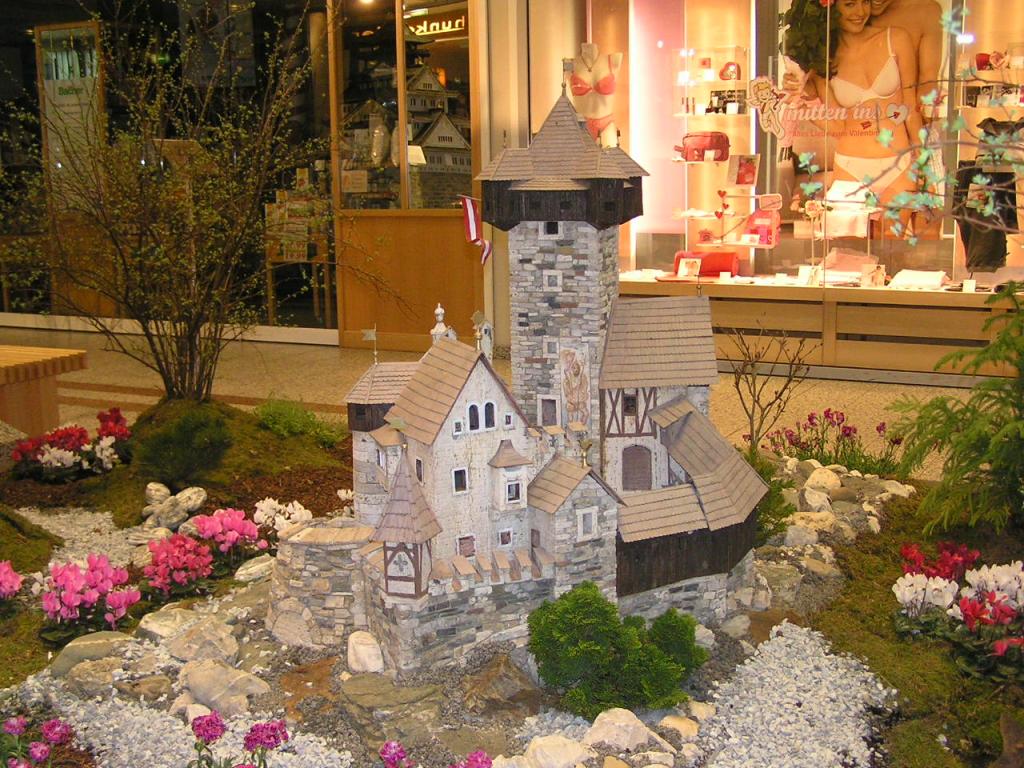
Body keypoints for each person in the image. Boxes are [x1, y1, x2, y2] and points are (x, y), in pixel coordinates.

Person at [784, 0, 923, 210]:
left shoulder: (896, 39)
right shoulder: (825, 60)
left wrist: (922, 159)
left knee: (895, 232)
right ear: (829, 9)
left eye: (865, 2)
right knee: (844, 233)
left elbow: (911, 107)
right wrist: (802, 107)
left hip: (898, 164)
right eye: (850, 4)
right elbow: (839, 127)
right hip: (850, 166)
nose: (860, 12)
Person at [869, 0, 944, 113]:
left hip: (903, 115)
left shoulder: (926, 10)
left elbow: (928, 82)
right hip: (850, 116)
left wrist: (924, 114)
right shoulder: (849, 15)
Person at [569, 43, 623, 148]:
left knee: (609, 158)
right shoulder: (570, 64)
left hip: (606, 126)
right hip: (580, 126)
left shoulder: (613, 60)